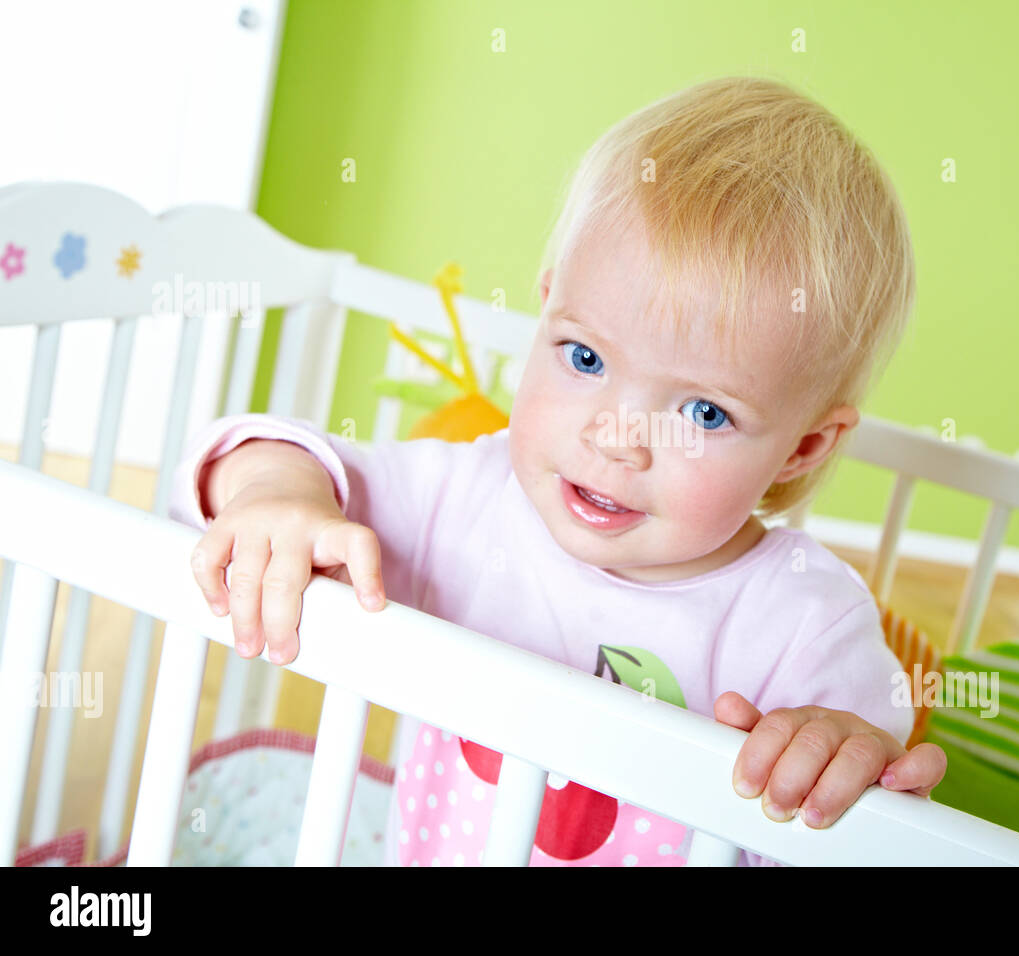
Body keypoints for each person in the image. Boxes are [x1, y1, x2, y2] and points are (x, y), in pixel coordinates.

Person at [172, 75, 946, 867]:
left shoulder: (804, 622)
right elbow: (281, 457)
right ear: (544, 312)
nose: (617, 439)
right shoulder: (468, 501)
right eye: (585, 357)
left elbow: (874, 792)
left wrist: (845, 759)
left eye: (703, 413)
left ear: (804, 448)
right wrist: (278, 493)